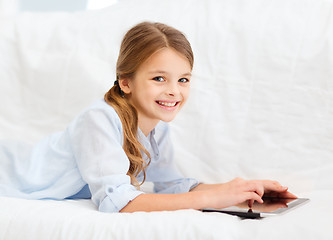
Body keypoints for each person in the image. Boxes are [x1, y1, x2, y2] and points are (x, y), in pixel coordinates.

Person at [0, 21, 296, 213]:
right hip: (10, 170)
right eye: (158, 78)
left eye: (183, 80)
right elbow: (117, 202)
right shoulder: (98, 119)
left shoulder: (156, 126)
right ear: (125, 82)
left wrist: (237, 190)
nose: (173, 91)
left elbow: (172, 184)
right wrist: (210, 200)